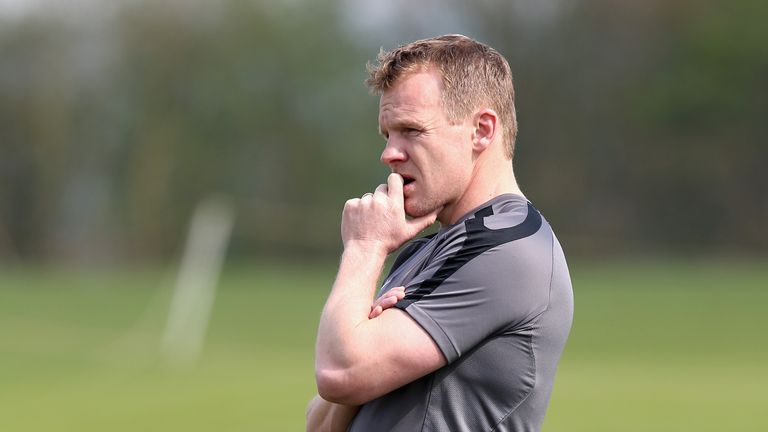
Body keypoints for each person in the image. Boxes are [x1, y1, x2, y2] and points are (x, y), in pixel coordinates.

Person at [307, 34, 573, 432]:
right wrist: (362, 335)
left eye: (411, 130)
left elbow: (338, 374)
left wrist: (364, 248)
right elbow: (324, 420)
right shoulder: (427, 250)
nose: (389, 154)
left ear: (481, 130)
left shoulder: (507, 250)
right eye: (387, 135)